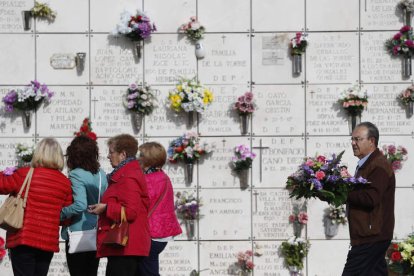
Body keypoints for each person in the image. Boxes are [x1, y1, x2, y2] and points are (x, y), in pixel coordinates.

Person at [0, 138, 72, 276]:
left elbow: (2, 185)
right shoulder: (65, 183)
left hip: (23, 240)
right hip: (47, 243)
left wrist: (6, 172)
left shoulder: (24, 173)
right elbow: (65, 218)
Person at [88, 134, 151, 276]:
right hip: (125, 246)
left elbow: (131, 212)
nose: (109, 156)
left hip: (126, 246)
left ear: (122, 154)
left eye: (111, 152)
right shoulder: (125, 173)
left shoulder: (128, 176)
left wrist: (106, 208)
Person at [342, 122, 395, 276]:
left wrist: (343, 191)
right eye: (352, 139)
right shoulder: (368, 164)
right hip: (371, 235)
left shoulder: (378, 166)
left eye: (357, 139)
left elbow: (371, 198)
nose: (353, 143)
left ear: (371, 141)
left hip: (371, 237)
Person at [60, 135, 108, 276]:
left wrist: (60, 212)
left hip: (77, 232)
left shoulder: (76, 174)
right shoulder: (101, 174)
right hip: (95, 231)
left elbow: (80, 205)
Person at [136, 142, 182, 275]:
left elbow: (142, 204)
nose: (138, 158)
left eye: (142, 155)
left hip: (151, 234)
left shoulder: (149, 179)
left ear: (149, 159)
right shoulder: (162, 176)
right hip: (161, 232)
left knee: (147, 271)